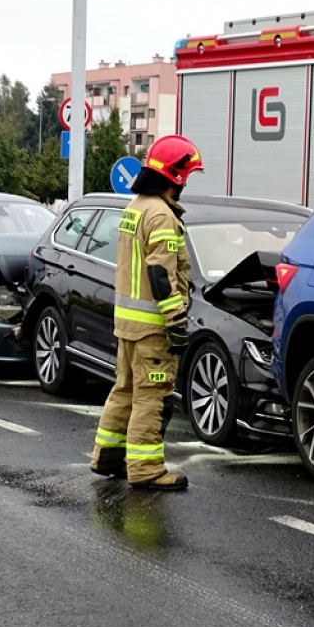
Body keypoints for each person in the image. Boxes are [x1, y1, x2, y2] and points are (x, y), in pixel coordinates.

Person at [89, 135, 203, 490]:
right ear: (176, 177)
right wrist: (176, 322)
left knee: (124, 390)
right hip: (152, 327)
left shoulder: (135, 207)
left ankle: (108, 456)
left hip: (126, 324)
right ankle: (146, 469)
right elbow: (160, 274)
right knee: (152, 397)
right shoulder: (162, 216)